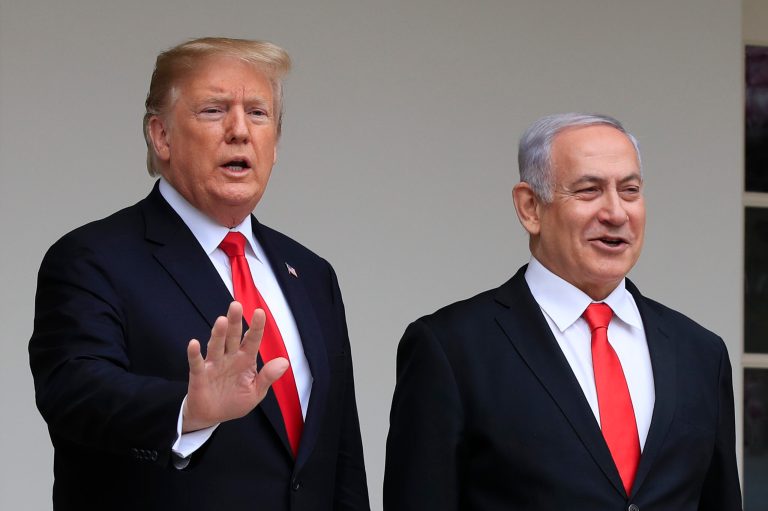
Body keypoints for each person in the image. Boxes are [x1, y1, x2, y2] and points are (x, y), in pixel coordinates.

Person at [29, 37, 369, 511]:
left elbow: (340, 454)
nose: (239, 130)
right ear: (161, 136)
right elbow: (74, 394)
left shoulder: (311, 274)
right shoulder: (92, 258)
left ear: (275, 144)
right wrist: (187, 411)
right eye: (213, 110)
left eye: (258, 112)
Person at [384, 113, 742, 510]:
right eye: (589, 190)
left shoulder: (701, 353)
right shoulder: (451, 349)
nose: (616, 213)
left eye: (630, 190)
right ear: (530, 207)